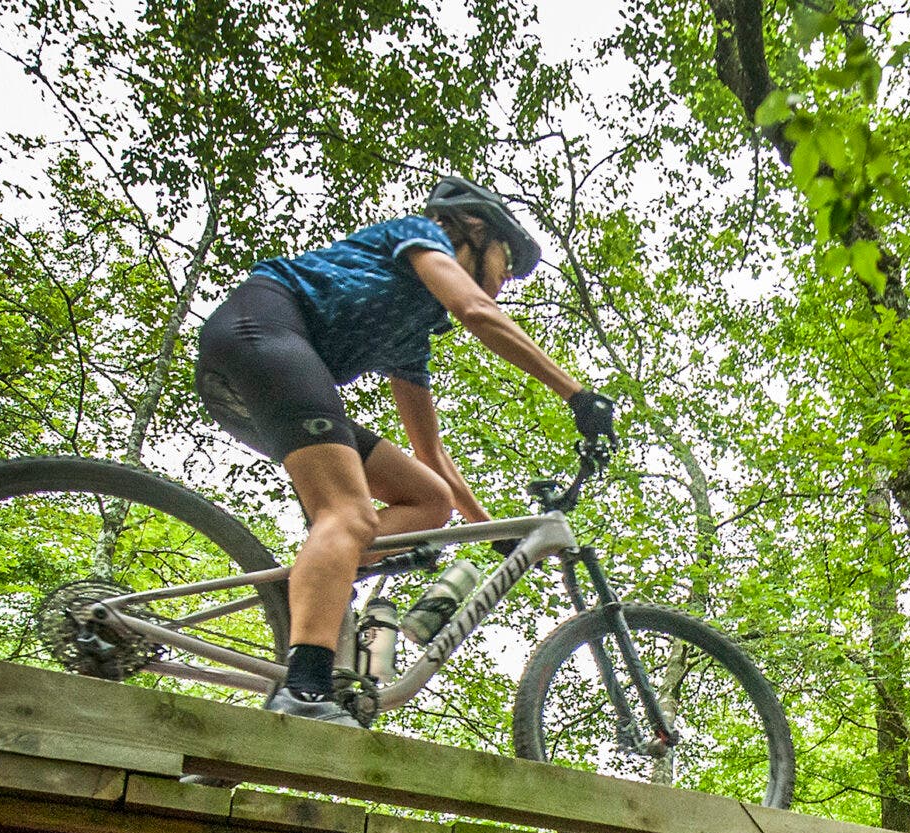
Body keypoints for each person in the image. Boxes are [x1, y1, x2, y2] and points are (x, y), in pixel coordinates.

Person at [192, 177, 618, 727]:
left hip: (262, 372)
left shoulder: (411, 337)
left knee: (428, 498)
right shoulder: (419, 237)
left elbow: (433, 457)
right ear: (473, 231)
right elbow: (476, 312)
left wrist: (493, 531)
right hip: (260, 332)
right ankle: (302, 691)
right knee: (348, 512)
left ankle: (313, 577)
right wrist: (576, 394)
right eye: (506, 261)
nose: (506, 279)